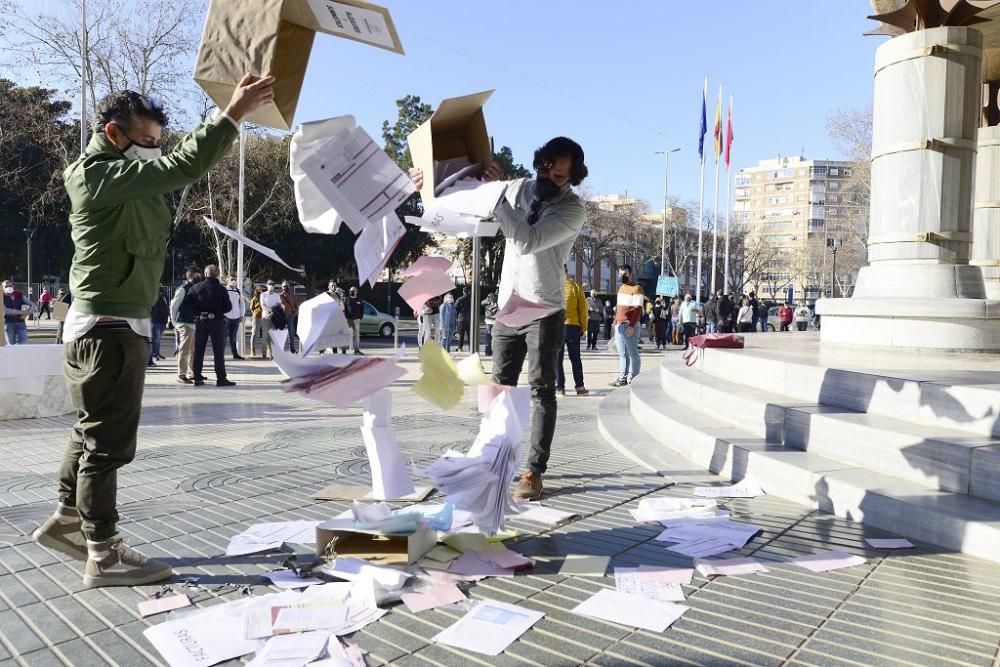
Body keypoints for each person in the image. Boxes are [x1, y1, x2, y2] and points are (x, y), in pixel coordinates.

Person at [32, 75, 273, 587]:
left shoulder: (125, 174)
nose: (155, 149)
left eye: (158, 141)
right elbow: (185, 163)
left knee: (91, 430)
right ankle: (104, 552)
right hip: (108, 329)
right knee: (108, 445)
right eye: (146, 140)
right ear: (114, 134)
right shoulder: (95, 174)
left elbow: (178, 160)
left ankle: (67, 520)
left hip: (115, 324)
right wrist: (231, 113)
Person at [412, 136, 588, 502]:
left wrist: (496, 198)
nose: (548, 179)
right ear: (539, 164)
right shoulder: (518, 188)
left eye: (559, 177)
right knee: (498, 388)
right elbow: (467, 204)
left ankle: (533, 471)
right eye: (545, 170)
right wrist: (427, 187)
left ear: (572, 178)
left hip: (544, 306)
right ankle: (493, 462)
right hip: (509, 304)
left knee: (541, 390)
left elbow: (526, 240)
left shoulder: (573, 210)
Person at [188, 265, 236, 387]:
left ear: (205, 273)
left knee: (199, 350)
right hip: (217, 321)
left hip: (201, 321)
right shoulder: (221, 289)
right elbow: (228, 307)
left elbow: (188, 304)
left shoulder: (195, 288)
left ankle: (197, 378)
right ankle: (221, 379)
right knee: (218, 351)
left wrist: (197, 313)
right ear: (217, 275)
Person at [557, 265, 589, 396]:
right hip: (573, 327)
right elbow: (583, 310)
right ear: (566, 271)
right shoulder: (576, 287)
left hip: (556, 327)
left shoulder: (552, 288)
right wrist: (583, 328)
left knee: (557, 359)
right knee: (575, 358)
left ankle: (560, 387)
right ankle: (580, 387)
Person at [611, 265, 643, 387]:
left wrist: (632, 325)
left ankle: (635, 377)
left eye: (624, 274)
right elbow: (619, 308)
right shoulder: (621, 289)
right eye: (620, 274)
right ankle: (622, 378)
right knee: (622, 354)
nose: (621, 276)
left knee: (633, 353)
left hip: (630, 325)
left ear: (630, 274)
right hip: (619, 325)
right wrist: (615, 321)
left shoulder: (637, 288)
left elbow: (638, 309)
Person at [170, 270, 200, 382]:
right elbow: (174, 305)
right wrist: (174, 322)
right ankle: (181, 374)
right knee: (184, 349)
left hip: (193, 323)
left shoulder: (195, 289)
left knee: (192, 350)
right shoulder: (183, 289)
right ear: (190, 277)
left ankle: (191, 373)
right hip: (184, 322)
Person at [259, 280, 282, 359]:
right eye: (269, 284)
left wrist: (273, 313)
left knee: (273, 337)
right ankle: (264, 352)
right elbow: (263, 305)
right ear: (267, 285)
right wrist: (269, 312)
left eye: (272, 284)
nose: (271, 285)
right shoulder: (263, 295)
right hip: (265, 317)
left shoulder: (277, 295)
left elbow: (279, 306)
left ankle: (272, 353)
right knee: (265, 336)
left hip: (274, 318)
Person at [2, 280, 30, 345]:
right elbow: (6, 310)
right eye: (6, 286)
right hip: (8, 323)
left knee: (23, 344)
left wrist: (27, 311)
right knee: (11, 344)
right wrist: (21, 312)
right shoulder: (2, 297)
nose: (8, 287)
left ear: (13, 286)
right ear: (3, 288)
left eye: (10, 285)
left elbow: (32, 305)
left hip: (21, 323)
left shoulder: (20, 295)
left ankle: (22, 355)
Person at [225, 276, 245, 360]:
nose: (233, 281)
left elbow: (241, 304)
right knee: (223, 337)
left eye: (235, 280)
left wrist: (242, 315)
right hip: (226, 317)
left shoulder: (238, 291)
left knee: (233, 337)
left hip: (236, 317)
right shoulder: (224, 290)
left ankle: (235, 354)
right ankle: (220, 355)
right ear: (227, 281)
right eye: (231, 280)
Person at [149, 287, 169, 365]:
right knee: (155, 339)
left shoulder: (164, 296)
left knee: (158, 339)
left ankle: (157, 353)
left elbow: (166, 307)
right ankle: (154, 354)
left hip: (163, 320)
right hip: (155, 320)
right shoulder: (154, 295)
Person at [280, 281, 299, 353]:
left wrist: (294, 315)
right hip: (281, 317)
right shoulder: (279, 296)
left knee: (291, 333)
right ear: (282, 287)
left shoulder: (293, 296)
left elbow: (296, 306)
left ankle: (292, 348)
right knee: (279, 332)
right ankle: (280, 348)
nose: (286, 287)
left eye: (287, 286)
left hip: (290, 316)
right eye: (284, 286)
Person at [346, 287, 364, 354]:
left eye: (353, 290)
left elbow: (362, 310)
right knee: (347, 335)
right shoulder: (347, 299)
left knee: (356, 336)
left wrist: (360, 318)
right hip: (349, 320)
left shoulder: (359, 300)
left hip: (356, 320)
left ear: (356, 291)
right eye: (351, 291)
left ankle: (356, 350)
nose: (352, 292)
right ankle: (344, 350)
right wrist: (346, 317)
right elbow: (345, 309)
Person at [482, 290, 499, 356]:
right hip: (496, 321)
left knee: (488, 337)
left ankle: (488, 352)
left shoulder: (487, 303)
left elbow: (482, 303)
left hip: (488, 321)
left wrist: (488, 299)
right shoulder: (499, 302)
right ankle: (495, 352)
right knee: (495, 338)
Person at [249, 286, 263, 358]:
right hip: (257, 317)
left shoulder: (265, 297)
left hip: (265, 317)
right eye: (260, 289)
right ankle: (252, 349)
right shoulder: (255, 298)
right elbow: (251, 308)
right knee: (254, 333)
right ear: (257, 290)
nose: (261, 290)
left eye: (262, 289)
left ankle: (265, 350)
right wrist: (256, 312)